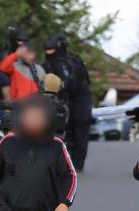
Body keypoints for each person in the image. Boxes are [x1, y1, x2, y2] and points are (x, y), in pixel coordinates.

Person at [42, 35, 93, 171]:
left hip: (79, 97)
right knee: (65, 129)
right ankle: (64, 160)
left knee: (79, 128)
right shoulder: (49, 62)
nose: (48, 53)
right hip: (63, 97)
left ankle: (77, 163)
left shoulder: (67, 62)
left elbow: (71, 84)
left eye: (51, 50)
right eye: (47, 50)